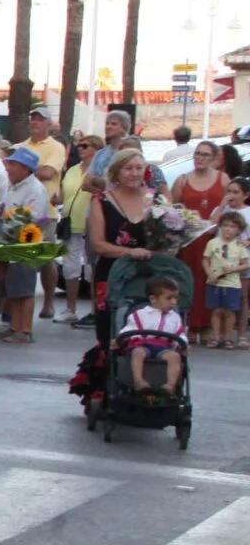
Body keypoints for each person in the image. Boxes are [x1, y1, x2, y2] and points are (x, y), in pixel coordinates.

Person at [84, 147, 163, 344]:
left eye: (138, 168)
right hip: (112, 274)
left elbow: (167, 239)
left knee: (148, 333)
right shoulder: (101, 201)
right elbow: (98, 244)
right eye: (128, 168)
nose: (134, 173)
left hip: (148, 274)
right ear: (116, 172)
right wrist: (130, 252)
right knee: (109, 332)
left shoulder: (156, 200)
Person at [0, 146, 53, 343]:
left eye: (13, 164)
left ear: (26, 168)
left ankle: (25, 329)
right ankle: (15, 325)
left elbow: (31, 218)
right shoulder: (12, 185)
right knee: (12, 289)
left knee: (24, 290)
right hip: (9, 244)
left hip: (25, 245)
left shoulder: (35, 189)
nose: (8, 168)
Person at [170, 137, 228, 334]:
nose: (200, 158)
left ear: (213, 158)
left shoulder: (222, 179)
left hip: (215, 240)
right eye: (197, 153)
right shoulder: (182, 180)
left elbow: (229, 207)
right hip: (190, 240)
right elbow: (173, 209)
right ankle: (189, 324)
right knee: (189, 278)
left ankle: (209, 326)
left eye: (205, 155)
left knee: (212, 279)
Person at [117, 277, 188, 394]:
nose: (174, 302)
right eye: (169, 298)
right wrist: (121, 338)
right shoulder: (140, 315)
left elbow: (179, 334)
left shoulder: (174, 317)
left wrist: (183, 344)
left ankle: (170, 386)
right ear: (153, 299)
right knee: (137, 352)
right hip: (144, 344)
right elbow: (130, 329)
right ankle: (139, 381)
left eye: (175, 298)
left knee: (175, 357)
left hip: (164, 347)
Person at [202, 212, 248, 350]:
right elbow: (205, 259)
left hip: (232, 284)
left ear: (239, 230)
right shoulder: (212, 243)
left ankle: (228, 338)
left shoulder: (239, 246)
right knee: (216, 311)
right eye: (225, 225)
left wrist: (233, 268)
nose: (228, 229)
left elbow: (246, 264)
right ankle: (216, 337)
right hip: (215, 283)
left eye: (233, 226)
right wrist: (209, 274)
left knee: (229, 312)